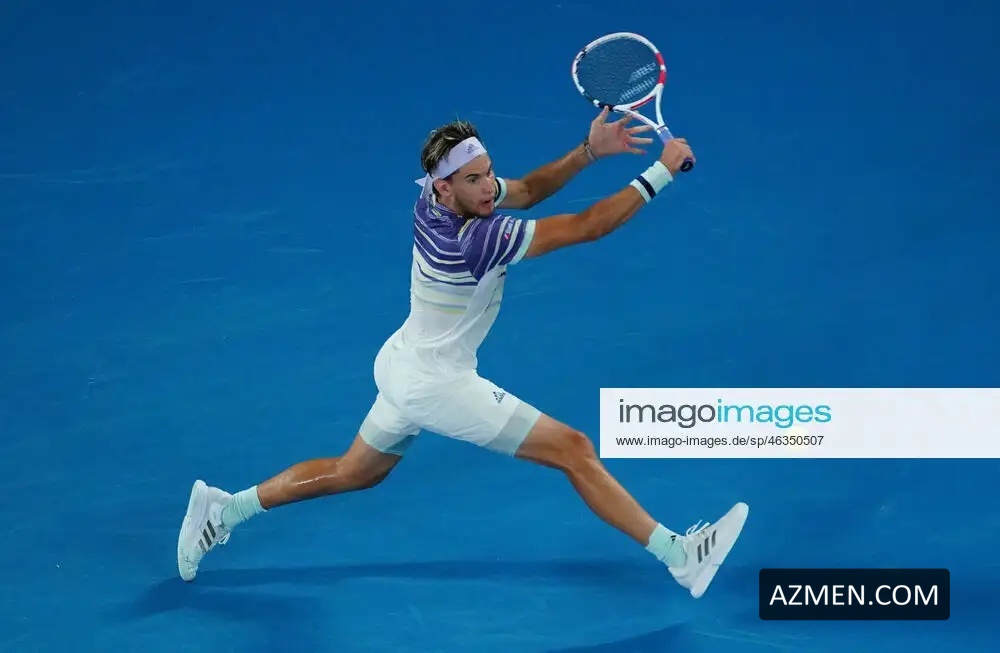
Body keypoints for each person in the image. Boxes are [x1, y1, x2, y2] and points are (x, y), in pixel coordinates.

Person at [177, 108, 749, 599]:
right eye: (474, 180)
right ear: (446, 188)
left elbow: (527, 190)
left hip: (403, 362)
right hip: (437, 385)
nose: (488, 187)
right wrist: (660, 171)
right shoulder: (478, 239)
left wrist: (589, 151)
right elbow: (588, 226)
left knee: (352, 472)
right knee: (573, 449)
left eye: (488, 173)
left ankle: (224, 510)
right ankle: (680, 555)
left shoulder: (433, 195)